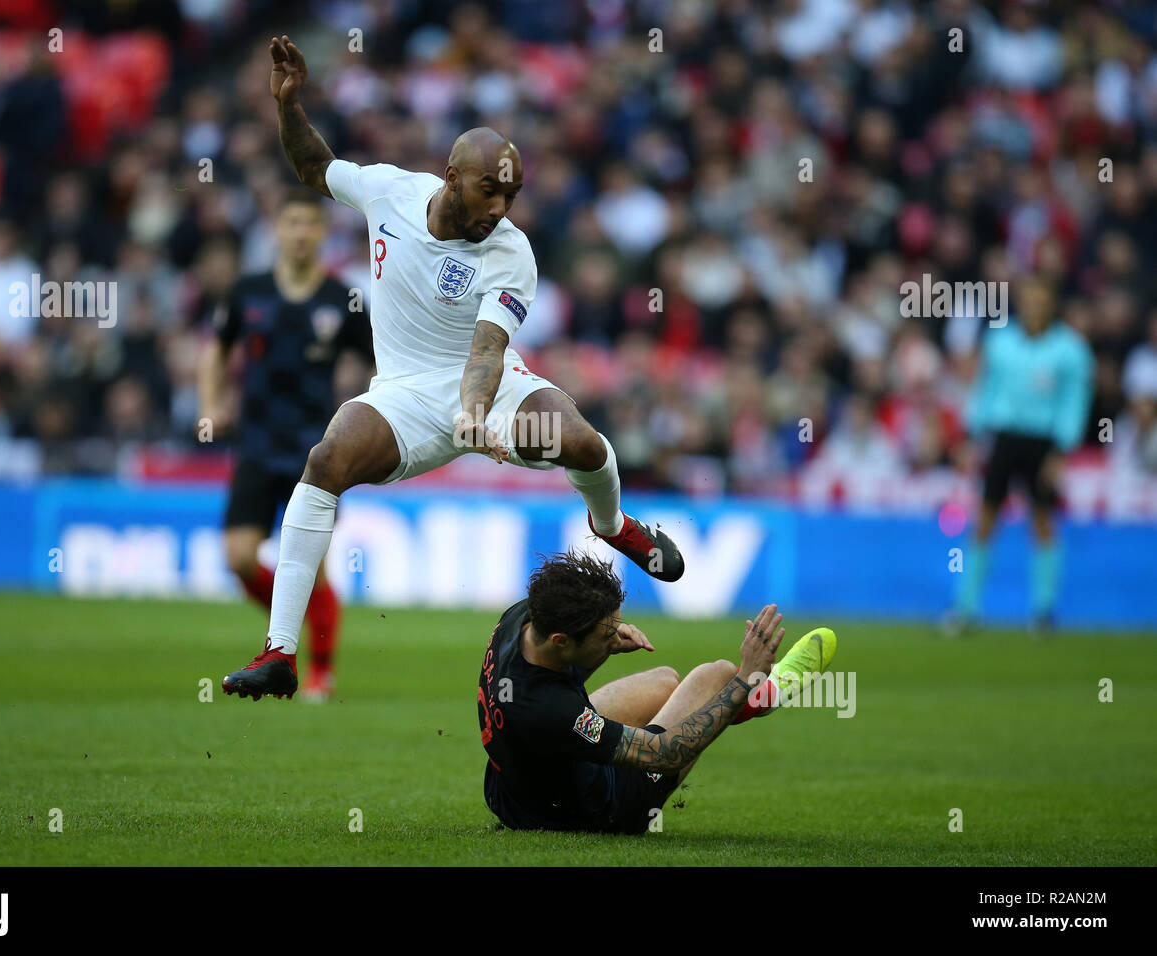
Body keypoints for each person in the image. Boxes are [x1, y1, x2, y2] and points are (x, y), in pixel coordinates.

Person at [222, 37, 686, 702]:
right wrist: (290, 106)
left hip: (490, 395)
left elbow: (488, 351)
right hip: (406, 398)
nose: (499, 208)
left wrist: (473, 412)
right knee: (327, 459)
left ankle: (611, 525)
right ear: (451, 178)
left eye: (512, 195)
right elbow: (312, 167)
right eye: (488, 191)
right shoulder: (389, 193)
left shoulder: (510, 252)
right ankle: (280, 653)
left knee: (582, 442)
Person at [478, 550, 837, 833]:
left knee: (665, 683)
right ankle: (764, 694)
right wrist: (745, 678)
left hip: (512, 791)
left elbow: (561, 683)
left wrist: (603, 645)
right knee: (718, 676)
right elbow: (666, 755)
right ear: (562, 641)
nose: (615, 635)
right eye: (606, 635)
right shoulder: (547, 709)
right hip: (588, 810)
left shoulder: (525, 617)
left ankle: (743, 693)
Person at [199, 195, 372, 701]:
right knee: (237, 557)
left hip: (315, 453)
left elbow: (380, 363)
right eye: (292, 222)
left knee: (314, 567)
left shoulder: (343, 298)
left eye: (310, 224)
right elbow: (216, 350)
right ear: (278, 228)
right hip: (254, 443)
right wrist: (210, 403)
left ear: (321, 234)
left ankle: (319, 670)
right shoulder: (246, 291)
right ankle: (285, 631)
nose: (301, 232)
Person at [950, 275, 1094, 634]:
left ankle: (1043, 611)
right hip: (1004, 437)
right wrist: (972, 435)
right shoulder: (1000, 342)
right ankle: (965, 609)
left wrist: (1062, 450)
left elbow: (1073, 403)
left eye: (1039, 299)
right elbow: (985, 390)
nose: (1032, 306)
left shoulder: (1071, 350)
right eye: (1027, 299)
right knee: (984, 519)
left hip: (1043, 441)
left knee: (1042, 522)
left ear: (1051, 304)